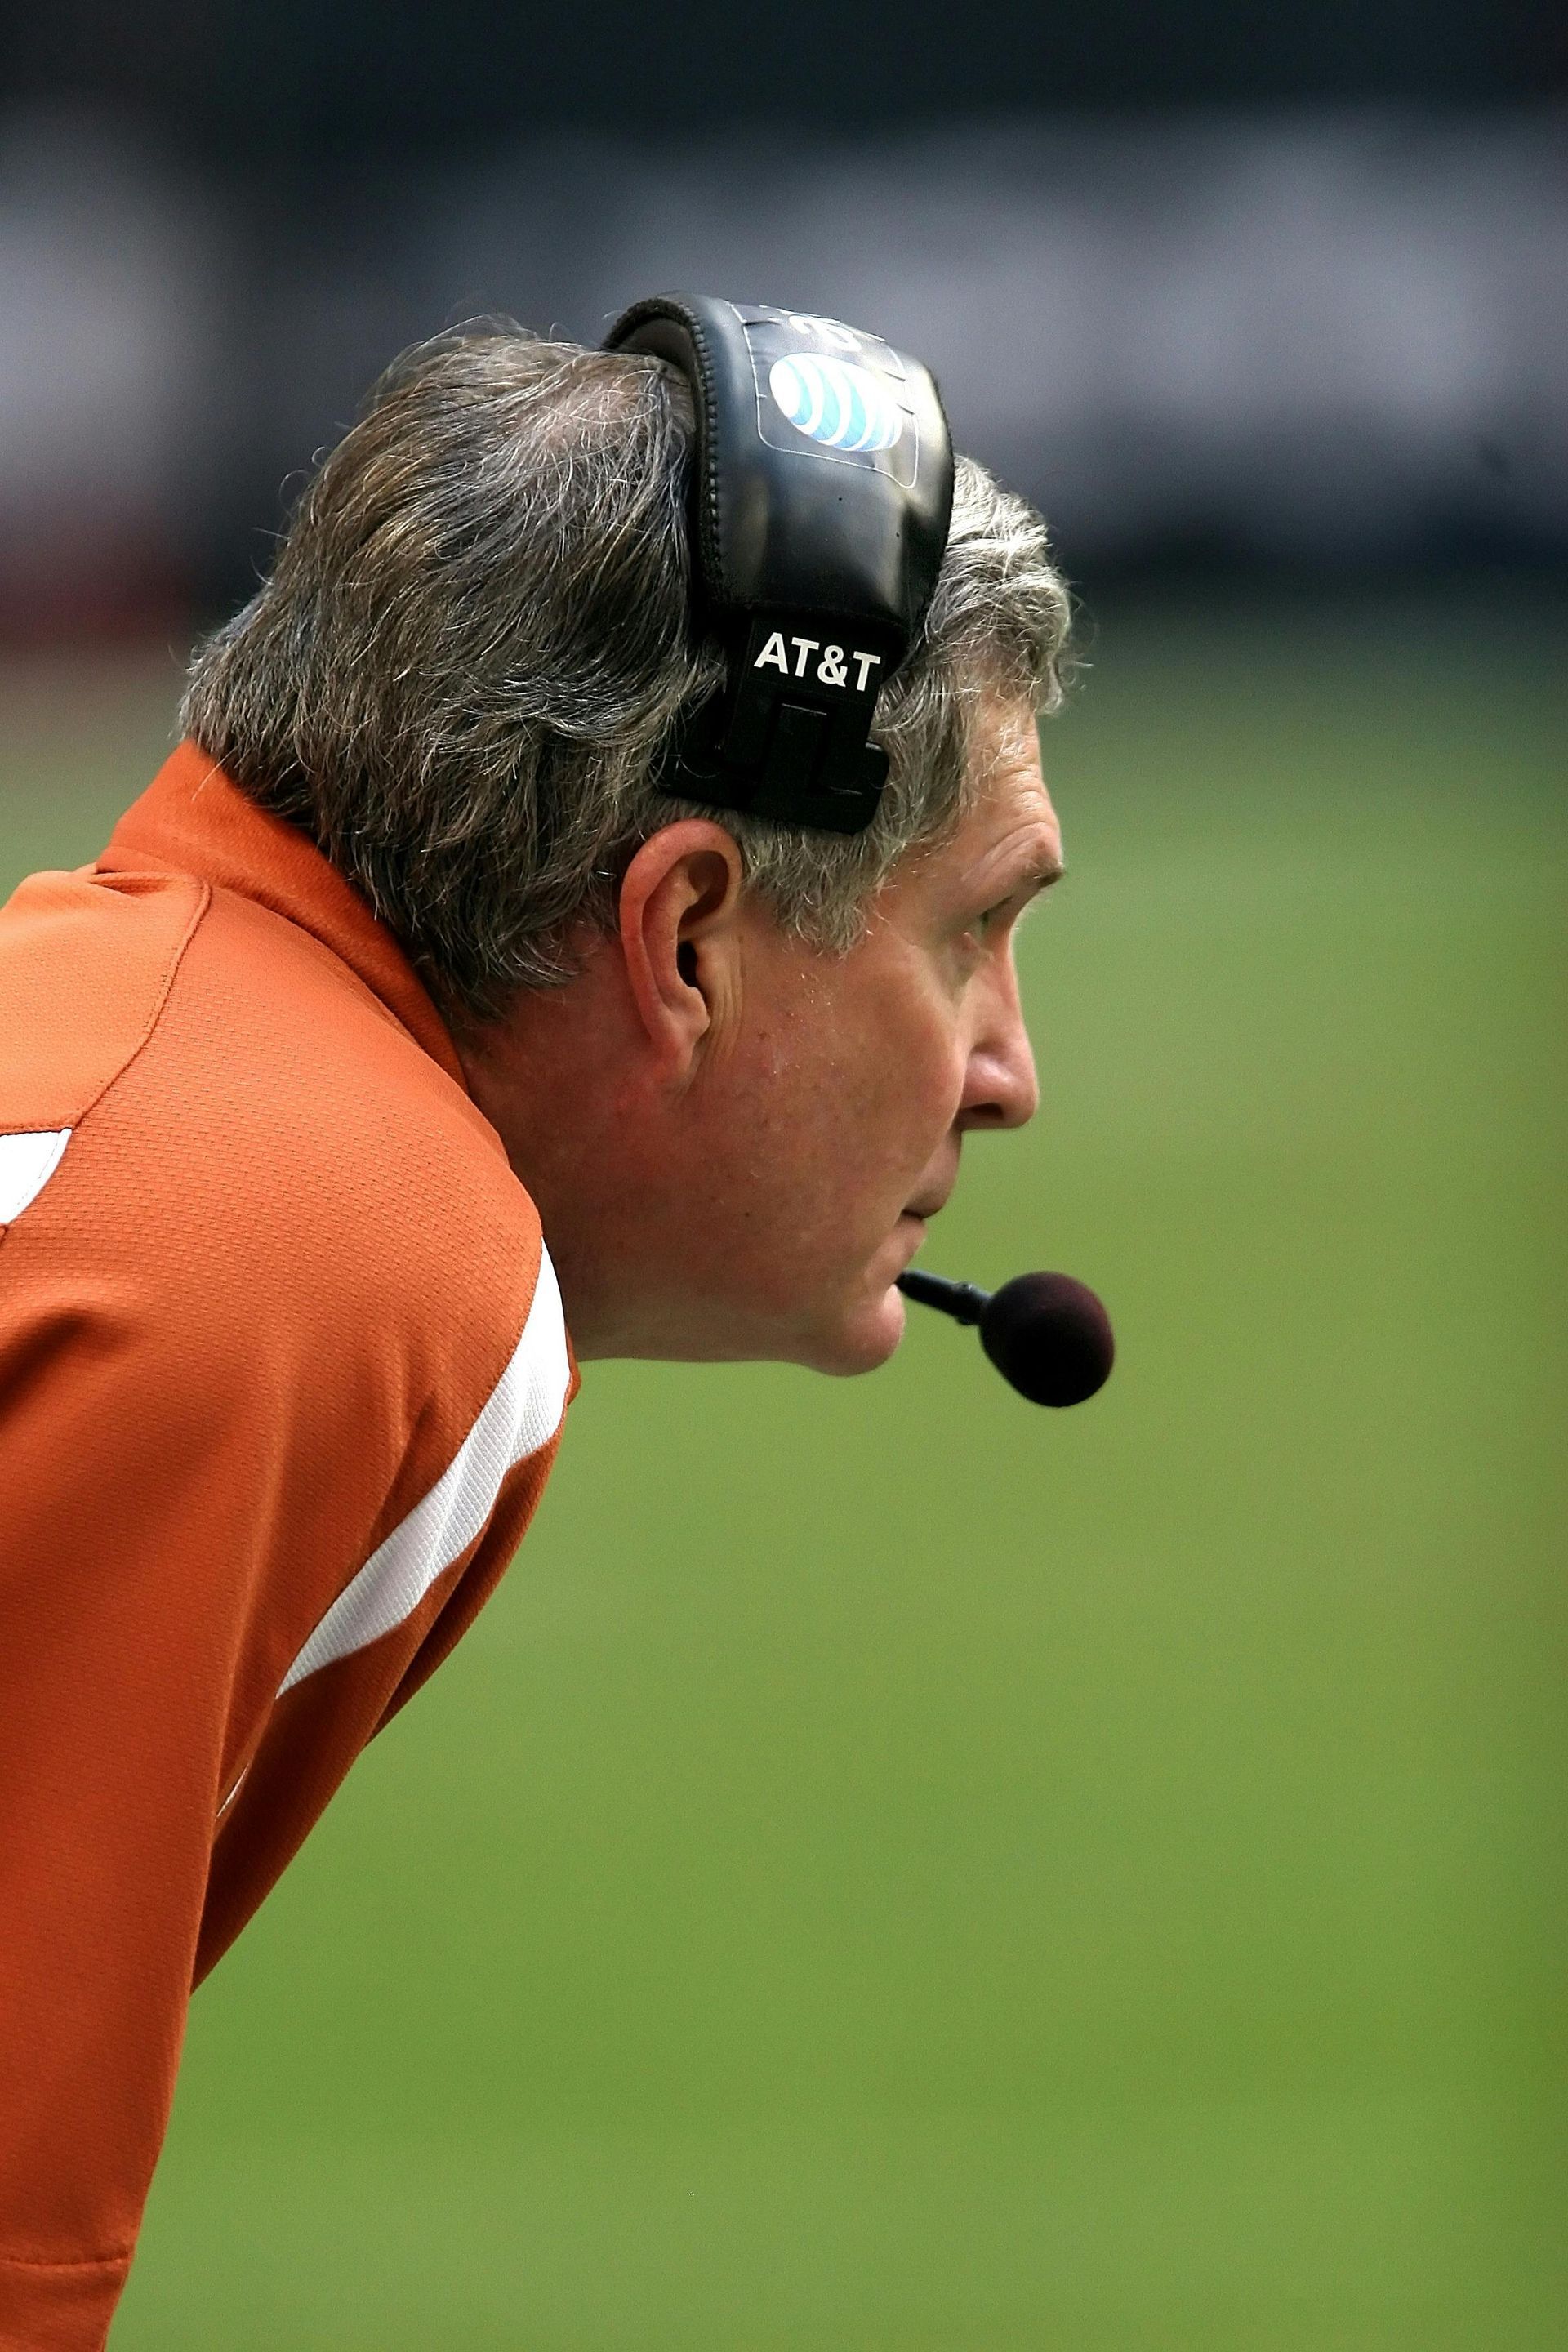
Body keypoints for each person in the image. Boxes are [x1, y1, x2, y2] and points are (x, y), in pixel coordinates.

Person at [0, 323, 1071, 2344]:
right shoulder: (337, 1248)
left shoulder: (142, 1044)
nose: (1011, 1068)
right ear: (683, 938)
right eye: (973, 931)